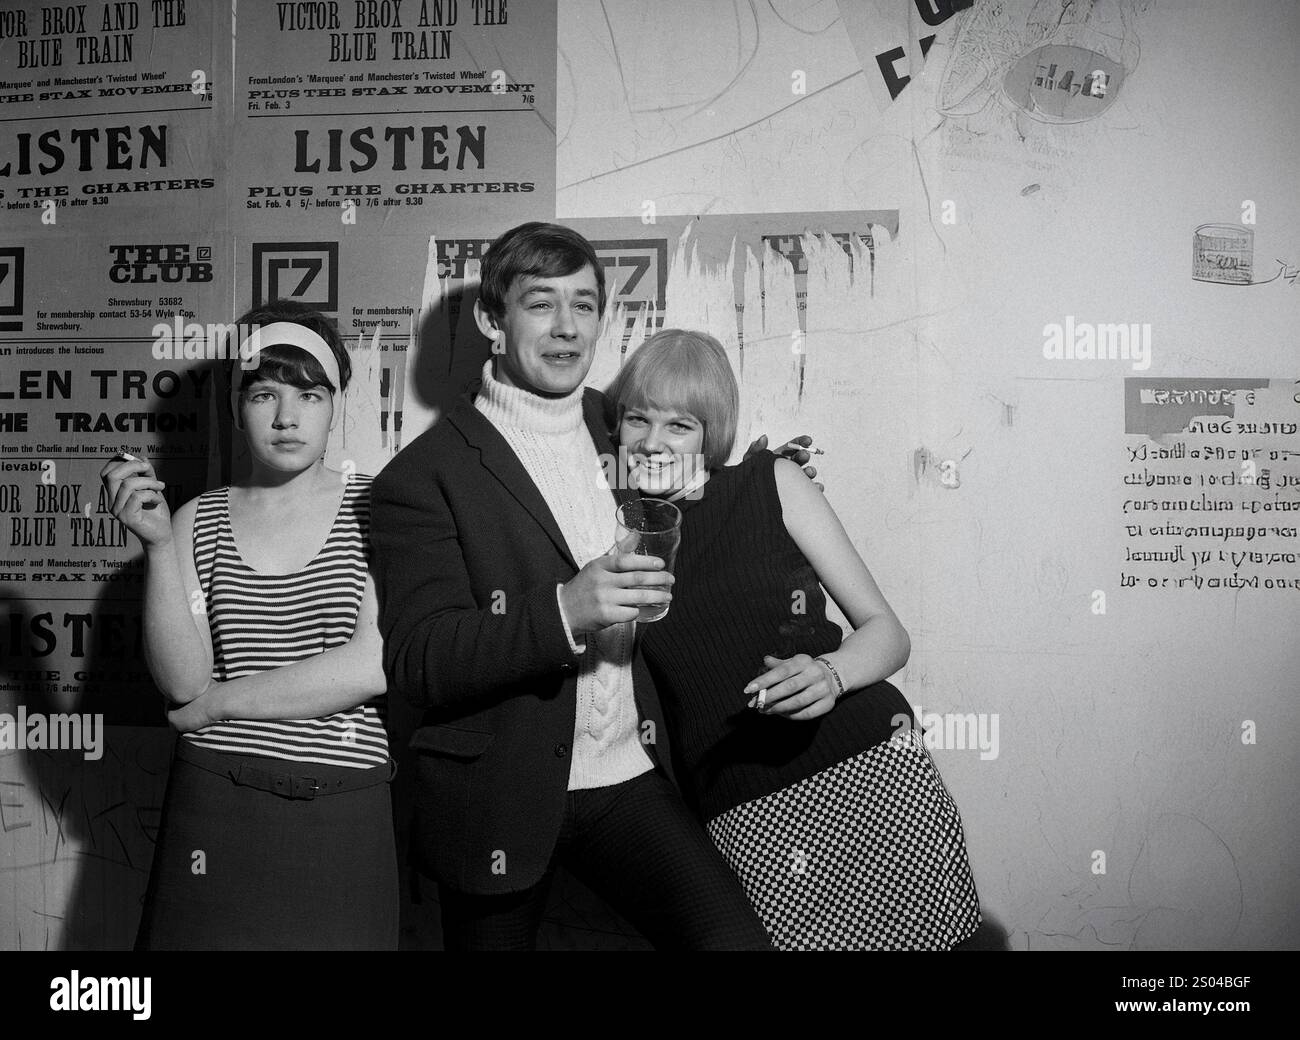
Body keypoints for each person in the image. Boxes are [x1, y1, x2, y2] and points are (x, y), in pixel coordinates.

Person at [369, 222, 780, 950]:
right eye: (541, 305)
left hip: (627, 778)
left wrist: (779, 473)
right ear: (493, 321)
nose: (567, 329)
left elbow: (707, 468)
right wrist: (566, 609)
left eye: (584, 305)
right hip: (496, 797)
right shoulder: (423, 477)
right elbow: (420, 659)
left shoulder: (621, 424)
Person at [606, 327, 983, 951]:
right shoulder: (612, 535)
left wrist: (831, 673)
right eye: (636, 419)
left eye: (680, 425)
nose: (650, 443)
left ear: (712, 433)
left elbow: (888, 633)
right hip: (744, 808)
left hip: (872, 773)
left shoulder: (771, 481)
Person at [102, 300, 398, 950]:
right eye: (264, 393)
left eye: (309, 394)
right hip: (213, 805)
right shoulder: (196, 521)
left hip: (341, 809)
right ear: (237, 406)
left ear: (336, 405)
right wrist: (156, 546)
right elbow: (184, 683)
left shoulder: (382, 509)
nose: (287, 417)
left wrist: (218, 708)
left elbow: (372, 662)